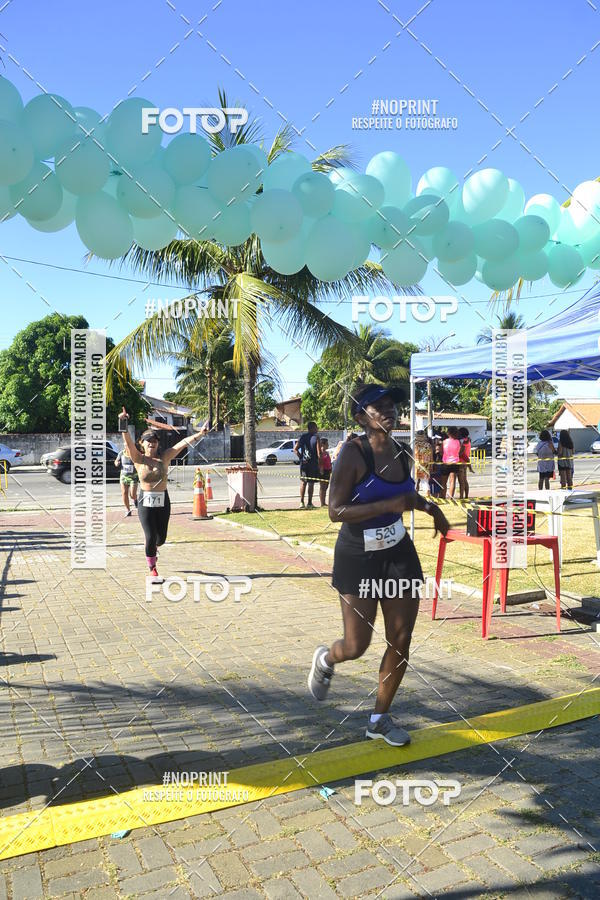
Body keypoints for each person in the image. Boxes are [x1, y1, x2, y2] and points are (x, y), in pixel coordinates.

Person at [307, 384, 449, 746]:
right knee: (357, 645)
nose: (389, 411)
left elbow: (405, 494)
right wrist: (388, 507)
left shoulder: (401, 451)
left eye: (392, 406)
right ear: (360, 417)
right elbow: (336, 510)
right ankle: (327, 659)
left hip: (398, 552)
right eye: (378, 407)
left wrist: (431, 508)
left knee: (401, 637)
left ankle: (379, 719)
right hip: (358, 554)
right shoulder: (353, 455)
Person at [118, 408, 208, 580]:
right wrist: (123, 421)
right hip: (145, 501)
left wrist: (200, 434)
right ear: (142, 443)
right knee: (150, 537)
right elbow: (127, 441)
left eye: (155, 440)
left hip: (163, 501)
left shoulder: (165, 457)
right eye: (148, 440)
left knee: (161, 539)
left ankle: (154, 548)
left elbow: (182, 444)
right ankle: (152, 568)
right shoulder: (138, 458)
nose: (152, 443)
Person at [294, 421, 322, 509]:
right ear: (313, 428)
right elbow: (319, 453)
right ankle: (309, 503)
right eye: (316, 427)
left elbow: (295, 449)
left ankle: (301, 502)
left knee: (303, 483)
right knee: (311, 483)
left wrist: (301, 458)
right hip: (313, 464)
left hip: (304, 464)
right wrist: (321, 465)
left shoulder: (303, 437)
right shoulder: (316, 438)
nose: (317, 429)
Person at [115, 445, 139, 516]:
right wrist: (117, 463)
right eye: (126, 446)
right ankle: (128, 510)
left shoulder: (134, 453)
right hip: (123, 477)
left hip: (133, 477)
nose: (127, 447)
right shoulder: (121, 453)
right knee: (124, 493)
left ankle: (135, 500)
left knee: (132, 495)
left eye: (129, 445)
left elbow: (139, 461)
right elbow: (116, 460)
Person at [442, 426, 461, 499]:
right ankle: (450, 498)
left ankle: (443, 497)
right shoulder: (458, 442)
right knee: (452, 481)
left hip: (446, 463)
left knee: (444, 482)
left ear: (448, 433)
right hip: (455, 463)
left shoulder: (444, 442)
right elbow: (459, 451)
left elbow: (441, 451)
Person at [414, 430, 433, 494]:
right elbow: (431, 456)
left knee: (415, 482)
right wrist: (431, 465)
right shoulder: (428, 445)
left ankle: (415, 498)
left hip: (416, 465)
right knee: (425, 483)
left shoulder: (414, 444)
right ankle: (428, 498)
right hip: (426, 465)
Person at [457, 427, 472, 500]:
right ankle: (466, 496)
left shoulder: (462, 441)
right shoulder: (468, 440)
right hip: (465, 462)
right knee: (465, 480)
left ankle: (461, 497)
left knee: (461, 481)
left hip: (460, 461)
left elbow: (461, 452)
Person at [318, 438, 332, 507]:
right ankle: (322, 503)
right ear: (322, 444)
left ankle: (324, 502)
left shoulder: (326, 452)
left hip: (328, 471)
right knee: (322, 487)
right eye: (327, 444)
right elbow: (320, 462)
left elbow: (329, 462)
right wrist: (321, 469)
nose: (328, 445)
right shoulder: (321, 452)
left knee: (326, 487)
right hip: (323, 471)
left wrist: (331, 469)